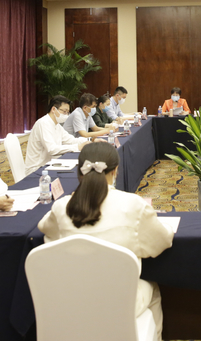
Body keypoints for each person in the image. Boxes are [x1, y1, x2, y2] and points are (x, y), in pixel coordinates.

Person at [38, 143, 174, 339]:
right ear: (115, 171)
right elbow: (162, 241)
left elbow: (45, 228)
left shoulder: (62, 207)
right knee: (152, 289)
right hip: (120, 303)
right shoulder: (133, 205)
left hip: (70, 302)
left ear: (80, 173)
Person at [25, 95, 87, 176]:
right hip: (37, 169)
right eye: (64, 111)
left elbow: (71, 140)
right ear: (54, 109)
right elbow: (52, 149)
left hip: (50, 165)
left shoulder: (57, 125)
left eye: (67, 112)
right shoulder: (43, 123)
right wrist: (77, 147)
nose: (66, 115)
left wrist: (90, 140)